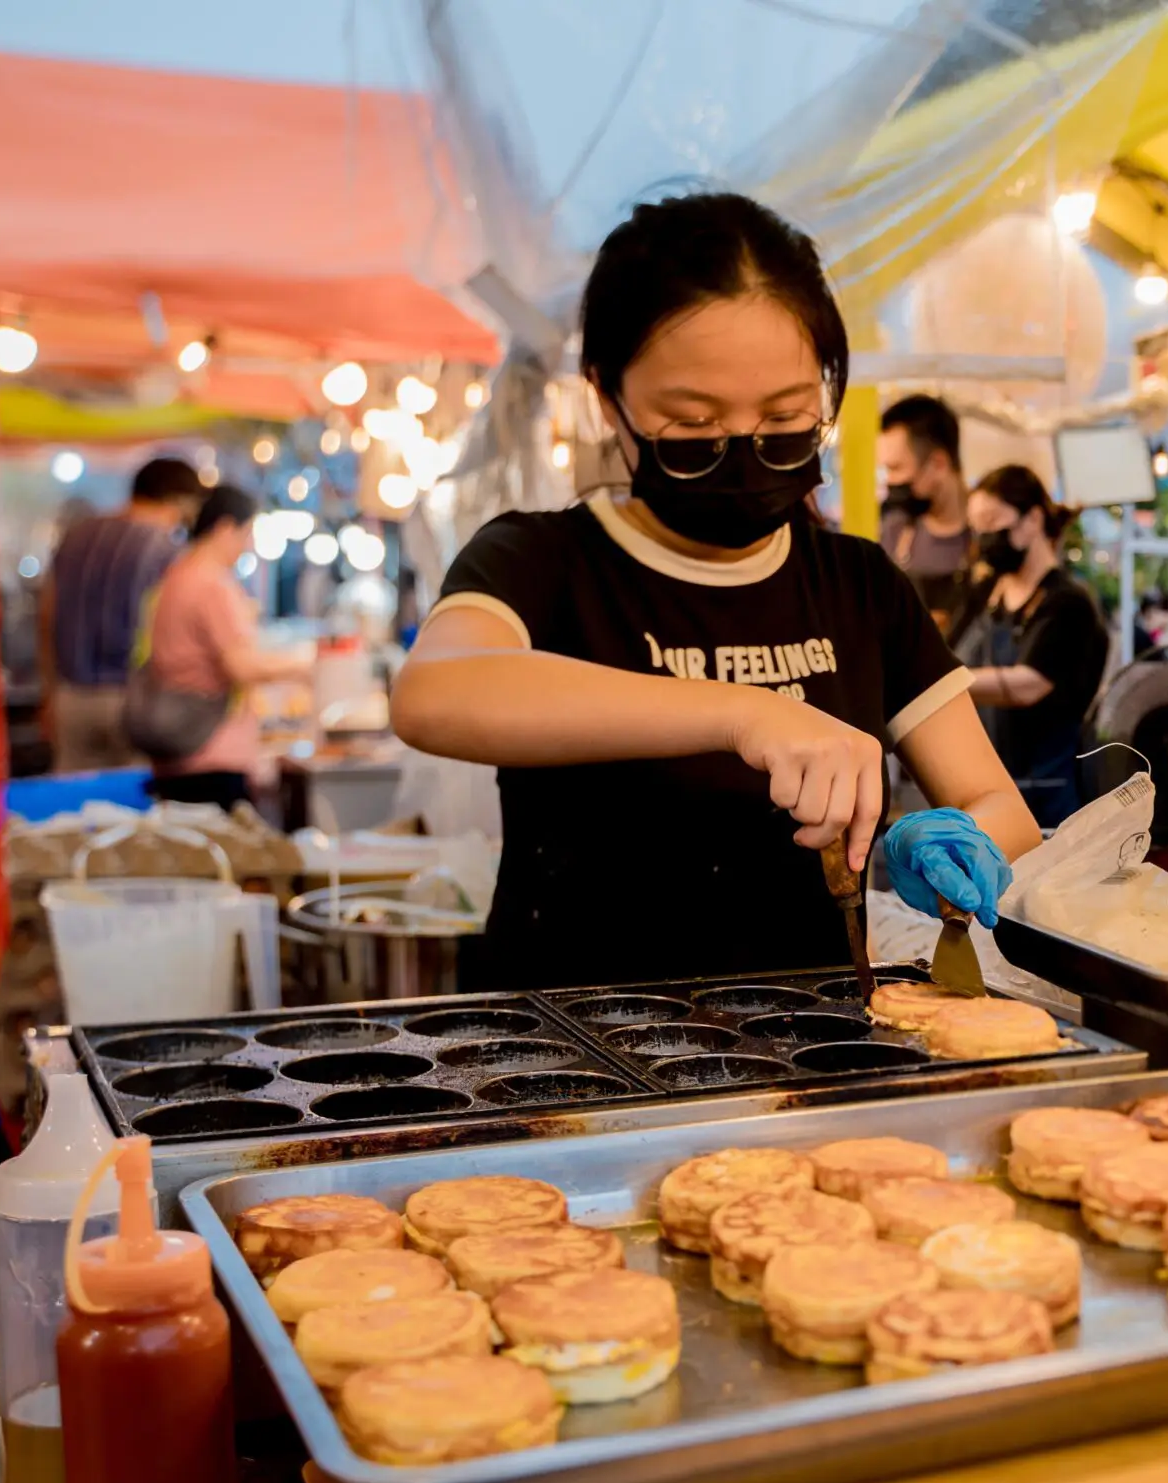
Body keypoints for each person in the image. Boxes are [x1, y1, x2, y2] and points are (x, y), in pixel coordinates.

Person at [391, 192, 1035, 988]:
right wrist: (745, 713)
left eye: (786, 415)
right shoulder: (542, 560)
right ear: (607, 399)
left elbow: (998, 806)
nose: (741, 450)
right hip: (571, 1044)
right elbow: (433, 693)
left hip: (809, 1040)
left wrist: (952, 843)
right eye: (693, 424)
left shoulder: (860, 584)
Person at [140, 486, 311, 809]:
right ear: (225, 527)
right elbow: (242, 666)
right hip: (211, 750)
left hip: (178, 743)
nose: (248, 546)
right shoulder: (211, 584)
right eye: (247, 534)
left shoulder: (177, 575)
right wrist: (306, 663)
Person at [957, 466, 1110, 827]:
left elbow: (1029, 684)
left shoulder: (1067, 603)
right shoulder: (984, 593)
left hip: (1050, 793)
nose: (984, 537)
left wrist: (945, 682)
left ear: (1033, 520)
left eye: (992, 521)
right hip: (988, 790)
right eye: (976, 526)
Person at [40, 456, 203, 771]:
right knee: (136, 795)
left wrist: (50, 690)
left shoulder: (76, 536)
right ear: (181, 502)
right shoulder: (167, 552)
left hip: (71, 696)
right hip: (136, 701)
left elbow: (47, 614)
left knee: (76, 797)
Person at [877, 394, 971, 626]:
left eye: (896, 468)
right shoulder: (894, 533)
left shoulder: (987, 539)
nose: (890, 480)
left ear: (938, 464)